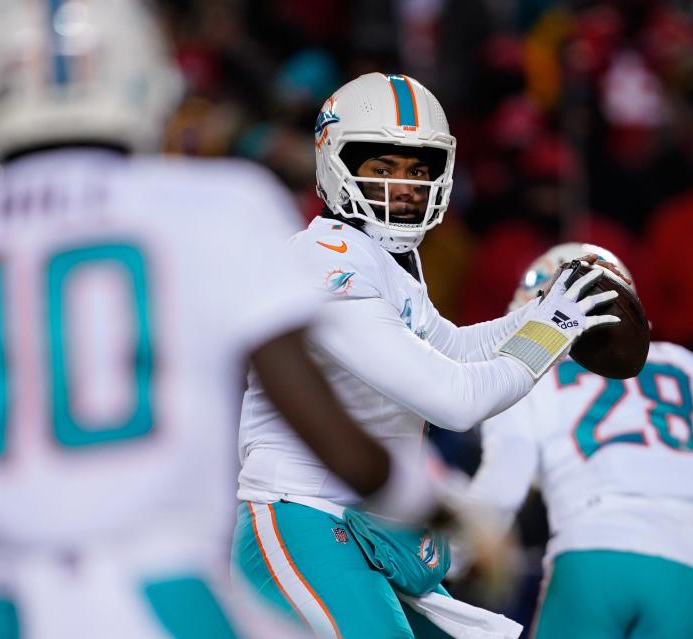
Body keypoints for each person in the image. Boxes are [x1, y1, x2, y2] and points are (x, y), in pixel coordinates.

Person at [0, 4, 444, 638]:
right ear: (147, 80)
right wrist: (434, 505)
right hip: (177, 601)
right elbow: (318, 420)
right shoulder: (225, 203)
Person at [232, 73, 622, 639]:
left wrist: (543, 313)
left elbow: (452, 347)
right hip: (301, 517)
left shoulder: (382, 262)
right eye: (383, 167)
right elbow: (455, 400)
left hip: (364, 527)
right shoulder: (324, 260)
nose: (404, 186)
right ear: (334, 162)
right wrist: (554, 330)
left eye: (418, 170)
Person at [467, 242, 693, 639]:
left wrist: (448, 547)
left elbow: (504, 482)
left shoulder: (530, 373)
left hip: (593, 549)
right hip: (687, 567)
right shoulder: (678, 367)